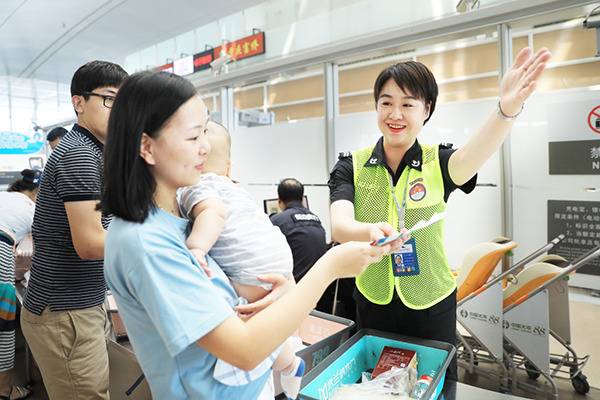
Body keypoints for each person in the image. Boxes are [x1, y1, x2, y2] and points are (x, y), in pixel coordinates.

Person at [101, 71, 397, 400]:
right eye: (193, 136)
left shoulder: (181, 220)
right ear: (147, 147)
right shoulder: (146, 243)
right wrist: (329, 268)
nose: (205, 147)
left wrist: (283, 291)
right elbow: (242, 349)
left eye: (205, 132)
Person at [329, 47, 551, 381]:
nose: (395, 113)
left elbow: (477, 151)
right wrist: (372, 231)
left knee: (433, 383)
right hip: (373, 301)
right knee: (375, 383)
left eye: (408, 104)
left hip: (431, 304)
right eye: (386, 102)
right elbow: (340, 226)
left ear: (426, 109)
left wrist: (506, 109)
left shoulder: (440, 161)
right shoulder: (352, 165)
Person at [20, 60, 127, 400]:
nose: (120, 110)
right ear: (78, 102)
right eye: (110, 99)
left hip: (79, 304)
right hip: (65, 312)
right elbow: (92, 244)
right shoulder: (79, 154)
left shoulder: (95, 152)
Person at [178, 122, 304, 398]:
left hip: (251, 268)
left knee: (251, 325)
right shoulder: (237, 189)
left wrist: (197, 247)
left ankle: (290, 363)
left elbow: (213, 214)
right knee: (265, 322)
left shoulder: (195, 186)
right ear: (229, 166)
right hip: (277, 256)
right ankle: (291, 364)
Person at [0, 170, 40, 400]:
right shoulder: (33, 208)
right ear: (37, 192)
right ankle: (5, 391)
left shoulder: (6, 199)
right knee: (3, 325)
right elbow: (41, 252)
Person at [270, 178, 327, 282]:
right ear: (302, 199)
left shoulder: (277, 221)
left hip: (294, 291)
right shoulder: (316, 220)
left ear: (279, 201)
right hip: (321, 290)